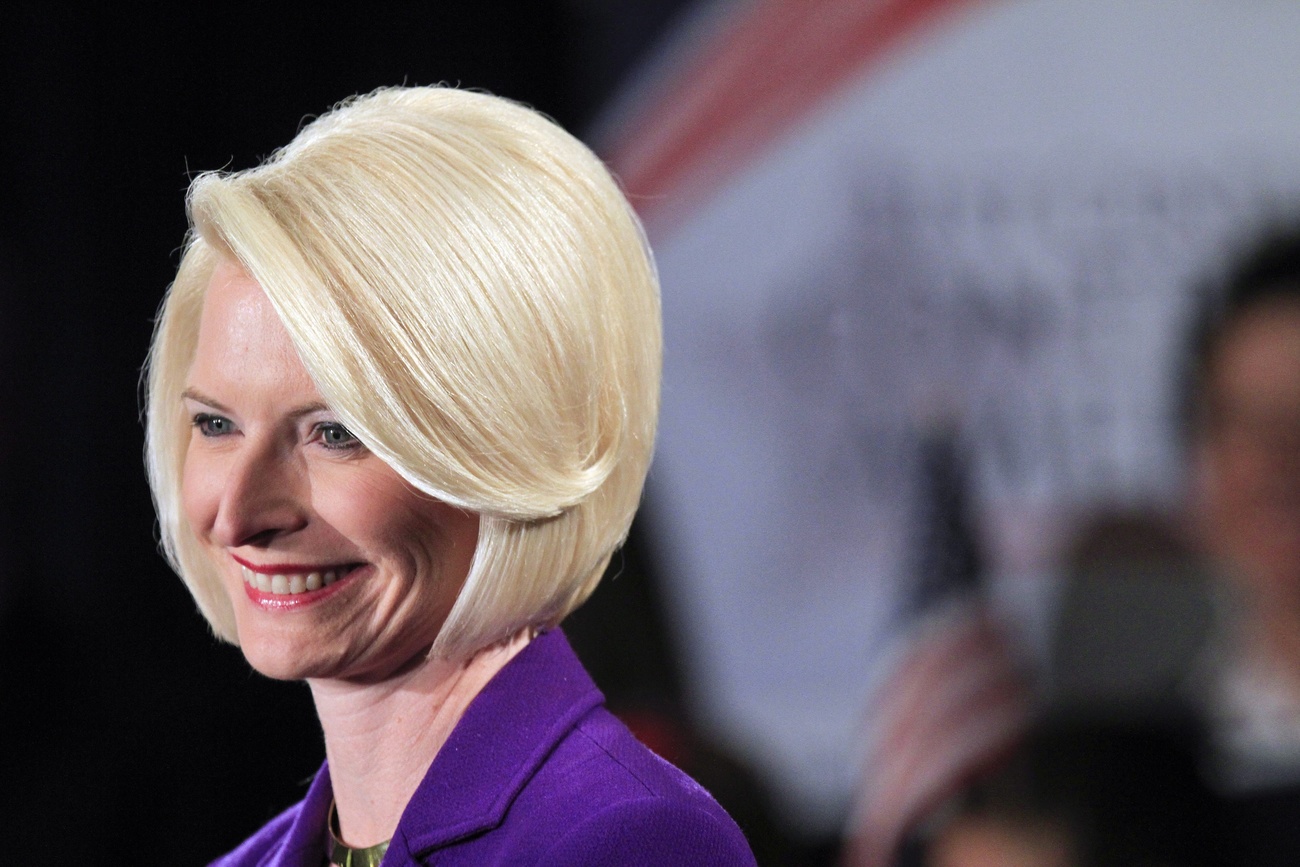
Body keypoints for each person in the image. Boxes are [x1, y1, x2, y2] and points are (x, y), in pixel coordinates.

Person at [143, 86, 756, 867]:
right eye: (217, 424)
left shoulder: (626, 842)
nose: (237, 513)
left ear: (506, 446)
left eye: (334, 433)